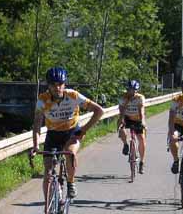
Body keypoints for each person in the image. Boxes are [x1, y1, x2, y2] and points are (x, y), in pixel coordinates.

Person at [32, 66, 104, 206]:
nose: (57, 88)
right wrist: (35, 145)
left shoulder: (73, 96)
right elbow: (36, 125)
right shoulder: (42, 100)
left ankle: (71, 182)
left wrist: (83, 130)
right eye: (53, 85)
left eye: (60, 84)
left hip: (72, 133)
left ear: (64, 84)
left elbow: (99, 111)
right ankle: (48, 208)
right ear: (48, 85)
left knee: (70, 153)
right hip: (53, 135)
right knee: (48, 173)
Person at [117, 79, 147, 174]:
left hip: (138, 118)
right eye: (130, 89)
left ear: (137, 90)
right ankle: (125, 144)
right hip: (127, 117)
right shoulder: (123, 98)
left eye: (134, 90)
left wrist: (142, 121)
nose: (132, 92)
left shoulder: (140, 98)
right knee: (120, 128)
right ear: (127, 89)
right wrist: (121, 122)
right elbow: (121, 112)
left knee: (141, 139)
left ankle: (142, 162)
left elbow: (141, 110)